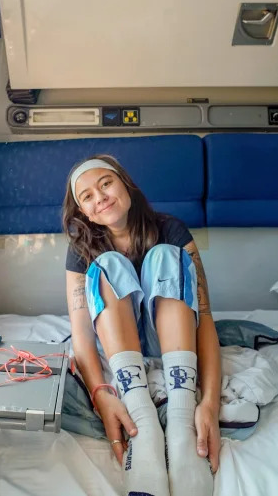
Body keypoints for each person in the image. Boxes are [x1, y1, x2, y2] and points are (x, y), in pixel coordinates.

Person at [63, 155, 221, 496]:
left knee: (166, 255)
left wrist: (208, 402)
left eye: (106, 184)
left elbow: (204, 316)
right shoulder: (80, 250)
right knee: (107, 264)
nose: (100, 196)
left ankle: (181, 419)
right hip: (118, 343)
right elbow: (82, 336)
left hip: (171, 336)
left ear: (126, 185)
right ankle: (143, 423)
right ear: (84, 212)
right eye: (86, 196)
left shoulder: (172, 230)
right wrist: (101, 395)